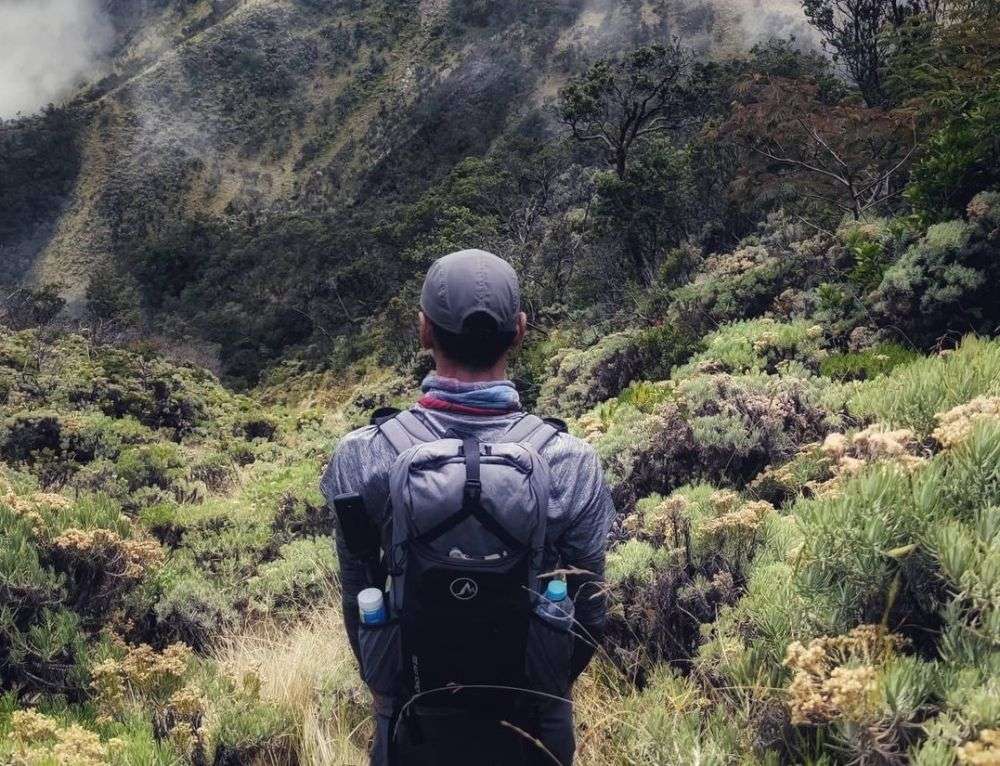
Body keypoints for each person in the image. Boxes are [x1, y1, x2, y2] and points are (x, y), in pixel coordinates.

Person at [320, 249, 614, 765]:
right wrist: (539, 685)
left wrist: (391, 687)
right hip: (534, 730)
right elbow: (589, 615)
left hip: (411, 725)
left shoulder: (361, 455)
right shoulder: (570, 460)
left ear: (424, 331)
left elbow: (358, 602)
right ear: (520, 332)